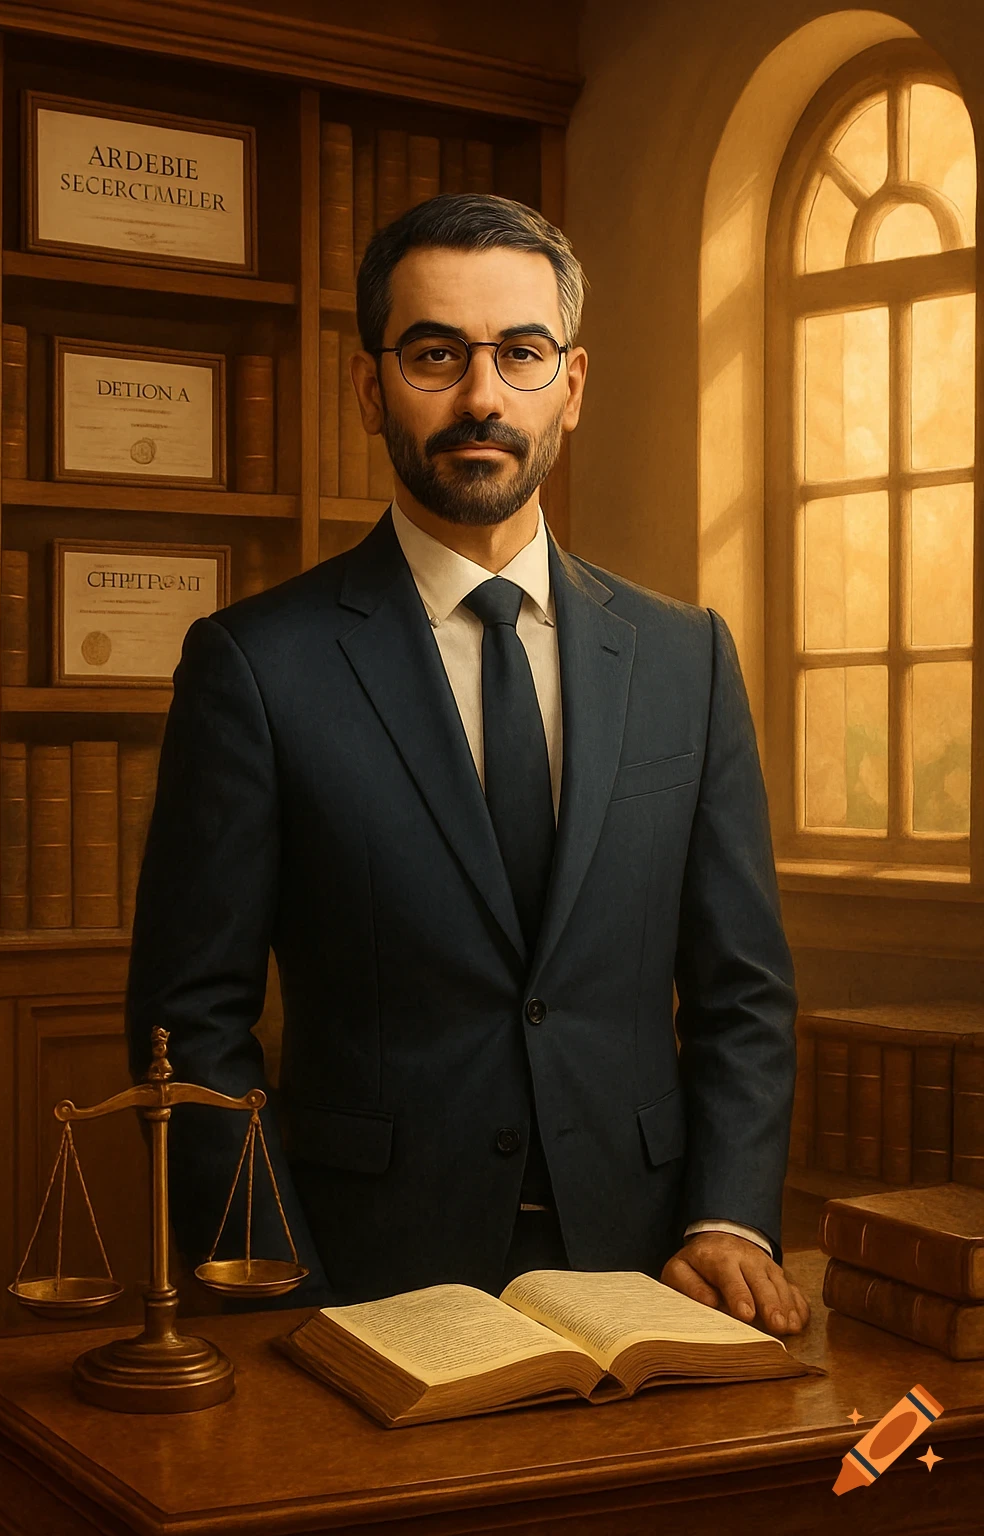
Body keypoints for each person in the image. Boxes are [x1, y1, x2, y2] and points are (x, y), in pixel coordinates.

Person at [125, 192, 810, 1339]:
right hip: (359, 1278)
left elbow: (743, 994)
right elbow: (189, 1019)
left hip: (655, 1273)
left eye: (520, 354)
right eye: (435, 354)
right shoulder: (253, 667)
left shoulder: (684, 658)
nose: (481, 396)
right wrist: (271, 1274)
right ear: (369, 385)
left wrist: (729, 1220)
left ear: (571, 386)